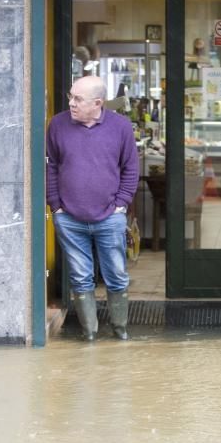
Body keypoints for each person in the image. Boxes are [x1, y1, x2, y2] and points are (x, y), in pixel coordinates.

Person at [46, 75, 138, 341]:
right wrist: (56, 205)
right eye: (70, 97)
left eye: (78, 99)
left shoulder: (120, 127)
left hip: (110, 216)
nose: (71, 103)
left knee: (117, 276)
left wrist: (121, 203)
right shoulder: (58, 124)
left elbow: (131, 168)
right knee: (80, 277)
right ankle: (90, 335)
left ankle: (120, 331)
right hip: (69, 217)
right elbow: (51, 165)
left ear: (98, 103)